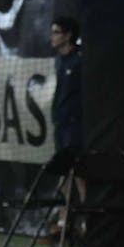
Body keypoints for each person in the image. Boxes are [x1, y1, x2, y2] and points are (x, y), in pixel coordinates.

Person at [47, 16, 85, 235]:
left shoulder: (79, 61)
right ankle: (63, 223)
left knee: (80, 176)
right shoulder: (59, 61)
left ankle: (87, 223)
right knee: (64, 177)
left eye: (56, 32)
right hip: (61, 126)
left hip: (75, 128)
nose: (52, 37)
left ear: (68, 35)